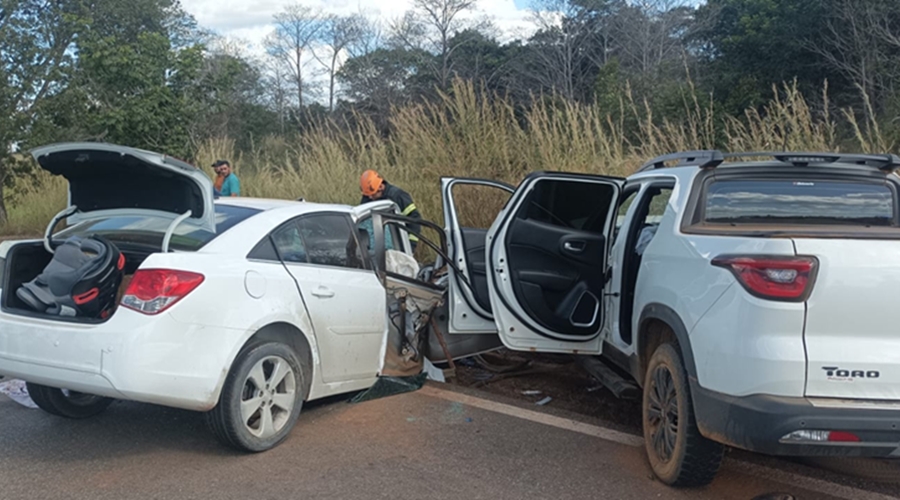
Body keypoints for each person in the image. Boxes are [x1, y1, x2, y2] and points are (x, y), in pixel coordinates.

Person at [359, 169, 421, 251]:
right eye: (368, 195)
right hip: (373, 249)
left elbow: (414, 220)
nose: (370, 198)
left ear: (380, 187)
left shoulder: (398, 197)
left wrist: (410, 246)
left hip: (397, 247)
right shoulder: (368, 197)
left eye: (372, 195)